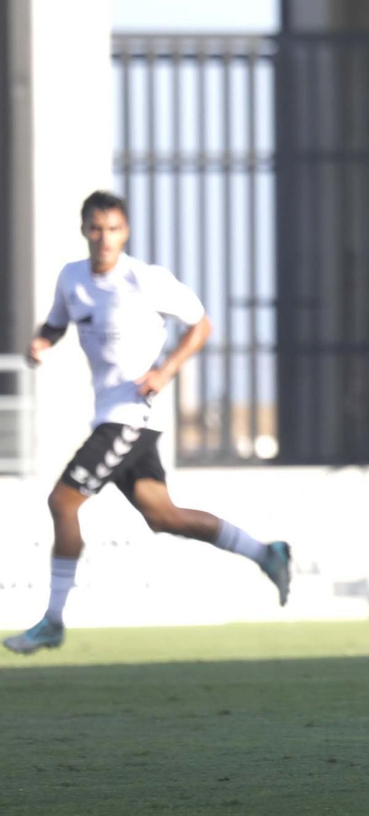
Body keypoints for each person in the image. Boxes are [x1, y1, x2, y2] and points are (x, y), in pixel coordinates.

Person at [4, 191, 292, 655]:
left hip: (132, 415)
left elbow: (201, 325)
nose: (104, 238)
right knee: (163, 515)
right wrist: (41, 343)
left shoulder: (144, 279)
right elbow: (57, 323)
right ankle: (265, 553)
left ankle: (53, 621)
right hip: (111, 415)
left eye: (113, 229)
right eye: (96, 228)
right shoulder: (72, 279)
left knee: (63, 502)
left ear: (126, 232)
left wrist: (166, 370)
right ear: (84, 230)